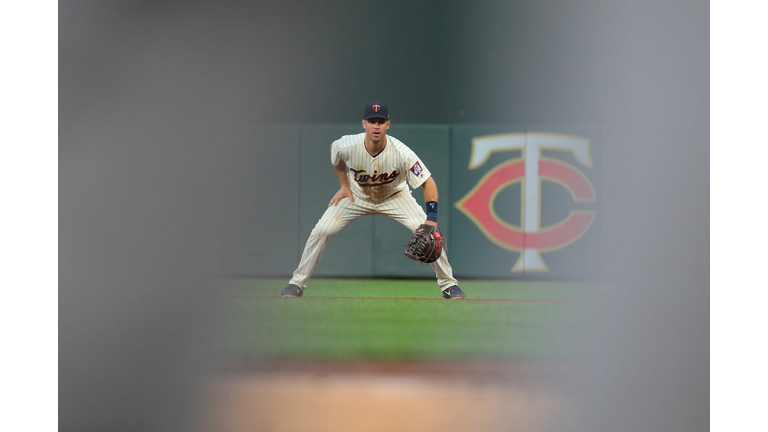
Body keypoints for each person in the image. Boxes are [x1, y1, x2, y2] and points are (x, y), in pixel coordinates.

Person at [281, 102, 466, 299]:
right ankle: (296, 284)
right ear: (364, 124)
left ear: (388, 124)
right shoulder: (348, 145)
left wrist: (432, 219)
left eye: (380, 121)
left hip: (394, 196)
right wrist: (344, 185)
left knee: (430, 234)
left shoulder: (402, 153)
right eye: (371, 121)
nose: (376, 126)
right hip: (357, 195)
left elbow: (428, 183)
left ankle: (449, 286)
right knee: (321, 231)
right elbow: (334, 154)